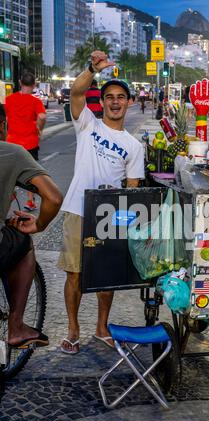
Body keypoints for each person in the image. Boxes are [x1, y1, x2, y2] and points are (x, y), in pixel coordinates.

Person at [58, 51, 145, 354]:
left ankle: (102, 326)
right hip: (77, 209)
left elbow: (133, 189)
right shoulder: (87, 125)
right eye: (110, 97)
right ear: (103, 102)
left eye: (121, 97)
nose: (116, 101)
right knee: (75, 273)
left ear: (129, 102)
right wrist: (93, 69)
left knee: (106, 275)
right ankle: (72, 329)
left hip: (108, 216)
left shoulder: (134, 147)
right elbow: (76, 92)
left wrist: (128, 221)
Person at [0, 104, 63, 348]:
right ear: (3, 126)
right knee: (23, 242)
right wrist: (39, 224)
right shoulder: (12, 153)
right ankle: (16, 327)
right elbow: (54, 197)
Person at [5, 72, 47, 212]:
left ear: (20, 82)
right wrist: (39, 130)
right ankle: (30, 201)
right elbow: (41, 116)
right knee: (31, 174)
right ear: (34, 85)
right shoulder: (35, 102)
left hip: (12, 143)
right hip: (30, 143)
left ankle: (9, 196)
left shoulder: (10, 99)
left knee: (10, 173)